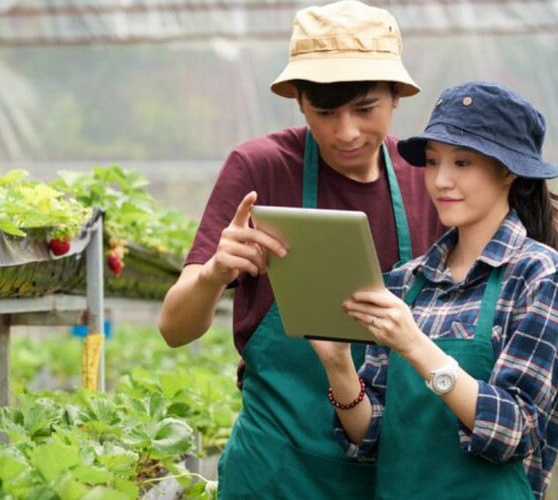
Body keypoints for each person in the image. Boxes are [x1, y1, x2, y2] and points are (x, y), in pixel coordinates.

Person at [158, 1, 445, 498]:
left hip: (395, 467)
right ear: (299, 102)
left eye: (365, 109)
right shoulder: (262, 168)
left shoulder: (428, 179)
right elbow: (174, 330)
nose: (346, 132)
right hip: (276, 469)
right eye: (325, 112)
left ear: (397, 95)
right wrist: (212, 275)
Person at [311, 80, 558, 500]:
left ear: (508, 171)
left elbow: (513, 431)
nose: (441, 181)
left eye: (462, 163)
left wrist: (413, 343)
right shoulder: (406, 281)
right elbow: (370, 437)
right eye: (432, 162)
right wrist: (338, 364)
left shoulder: (539, 276)